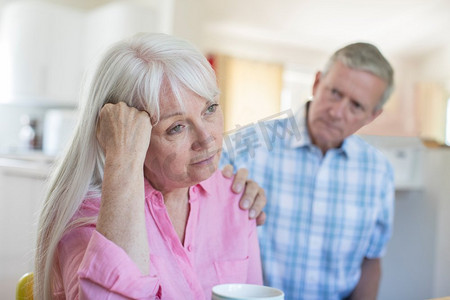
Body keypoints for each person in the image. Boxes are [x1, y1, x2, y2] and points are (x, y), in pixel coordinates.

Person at [34, 33, 264, 300]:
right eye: (176, 127)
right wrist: (121, 160)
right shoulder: (89, 217)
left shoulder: (236, 196)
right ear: (127, 135)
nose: (207, 138)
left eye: (210, 108)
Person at [221, 42, 395, 300]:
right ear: (316, 83)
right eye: (334, 92)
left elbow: (371, 261)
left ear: (372, 115)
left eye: (356, 106)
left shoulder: (379, 172)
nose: (337, 112)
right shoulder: (247, 146)